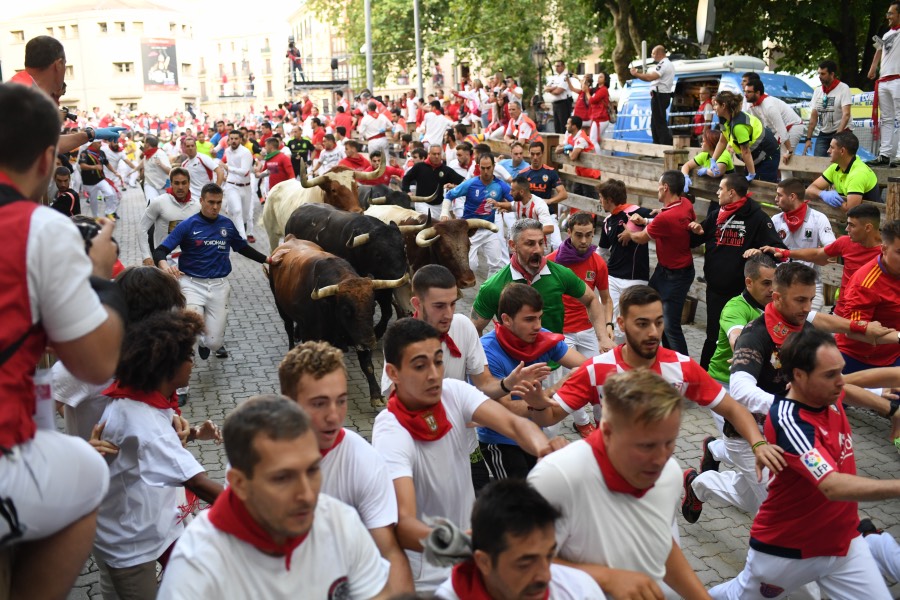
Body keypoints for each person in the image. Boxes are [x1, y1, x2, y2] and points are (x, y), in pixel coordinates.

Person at [0, 81, 125, 600]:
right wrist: (98, 278)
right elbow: (96, 363)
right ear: (47, 160)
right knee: (87, 472)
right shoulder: (39, 228)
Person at [372, 318, 564, 593]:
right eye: (420, 366)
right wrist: (473, 544)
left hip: (470, 559)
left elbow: (514, 424)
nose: (434, 375)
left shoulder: (453, 391)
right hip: (428, 577)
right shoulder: (390, 431)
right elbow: (404, 525)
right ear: (393, 373)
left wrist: (543, 449)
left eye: (438, 361)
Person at [709, 328, 897, 600]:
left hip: (844, 542)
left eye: (840, 371)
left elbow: (852, 388)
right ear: (799, 376)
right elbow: (832, 486)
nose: (841, 382)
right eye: (830, 375)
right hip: (788, 549)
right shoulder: (792, 421)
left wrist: (889, 408)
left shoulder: (826, 392)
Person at [157, 395, 391, 598]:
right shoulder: (197, 565)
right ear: (239, 484)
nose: (307, 495)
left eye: (312, 470)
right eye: (282, 478)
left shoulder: (341, 522)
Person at [527, 369, 711, 599]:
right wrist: (606, 578)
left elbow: (659, 542)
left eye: (669, 442)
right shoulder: (557, 477)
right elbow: (521, 563)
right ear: (607, 431)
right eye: (646, 446)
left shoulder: (670, 472)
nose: (660, 459)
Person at [92, 310, 223, 599]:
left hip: (158, 523)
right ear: (167, 366)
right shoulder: (144, 420)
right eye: (188, 356)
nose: (192, 363)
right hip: (132, 543)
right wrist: (255, 508)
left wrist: (192, 433)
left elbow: (148, 446)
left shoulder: (139, 400)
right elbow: (197, 482)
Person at [278, 341, 414, 594]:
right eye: (319, 403)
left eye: (341, 401)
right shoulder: (256, 460)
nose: (334, 416)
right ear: (289, 403)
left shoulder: (365, 461)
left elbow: (389, 552)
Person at [152, 183, 274, 361]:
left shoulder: (227, 225)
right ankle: (185, 371)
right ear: (201, 201)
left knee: (214, 343)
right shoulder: (187, 225)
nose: (215, 207)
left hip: (219, 286)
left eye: (218, 202)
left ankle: (205, 343)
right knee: (191, 331)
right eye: (211, 202)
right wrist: (165, 267)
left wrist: (268, 260)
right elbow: (160, 251)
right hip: (191, 284)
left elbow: (242, 248)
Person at [478, 284, 589, 473]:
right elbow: (504, 409)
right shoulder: (487, 351)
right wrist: (551, 391)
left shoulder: (542, 337)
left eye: (539, 317)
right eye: (529, 319)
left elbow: (587, 366)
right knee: (519, 491)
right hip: (500, 439)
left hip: (533, 434)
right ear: (506, 319)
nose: (537, 326)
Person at [434, 479, 604, 599]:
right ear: (484, 562)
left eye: (549, 556)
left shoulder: (580, 591)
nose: (545, 576)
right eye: (525, 564)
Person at [471, 218, 614, 353]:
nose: (538, 250)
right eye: (530, 244)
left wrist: (602, 337)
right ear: (513, 245)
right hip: (514, 364)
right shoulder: (493, 286)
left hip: (554, 361)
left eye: (541, 243)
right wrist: (485, 361)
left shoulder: (560, 274)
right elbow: (475, 328)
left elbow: (591, 299)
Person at [691, 173, 785, 369]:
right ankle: (705, 376)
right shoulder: (718, 214)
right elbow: (696, 239)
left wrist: (759, 251)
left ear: (732, 193)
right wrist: (694, 230)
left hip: (742, 293)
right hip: (716, 290)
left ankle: (748, 372)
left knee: (744, 336)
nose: (717, 193)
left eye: (721, 189)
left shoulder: (758, 217)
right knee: (713, 336)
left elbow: (778, 250)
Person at [617, 170, 696, 355]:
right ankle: (667, 356)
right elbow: (670, 221)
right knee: (653, 307)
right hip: (667, 270)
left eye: (659, 186)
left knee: (670, 325)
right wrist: (646, 220)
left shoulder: (665, 217)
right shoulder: (685, 203)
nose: (657, 189)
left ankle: (682, 365)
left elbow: (641, 238)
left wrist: (629, 233)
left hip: (676, 275)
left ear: (665, 188)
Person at [759, 203, 883, 315]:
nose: (846, 229)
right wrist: (785, 252)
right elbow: (817, 254)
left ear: (868, 228)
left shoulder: (887, 253)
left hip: (873, 315)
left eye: (852, 225)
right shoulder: (845, 242)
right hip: (842, 312)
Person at [548, 211, 614, 369]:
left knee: (595, 373)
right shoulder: (551, 262)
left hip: (589, 329)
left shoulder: (598, 263)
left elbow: (606, 300)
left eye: (588, 235)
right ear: (569, 232)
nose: (584, 241)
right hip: (562, 332)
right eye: (578, 235)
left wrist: (608, 325)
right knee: (569, 379)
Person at [835, 219, 900, 372]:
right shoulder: (865, 283)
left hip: (893, 354)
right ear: (884, 249)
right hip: (858, 359)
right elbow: (852, 331)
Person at [597, 178, 653, 340]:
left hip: (635, 278)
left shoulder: (637, 212)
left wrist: (636, 231)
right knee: (610, 322)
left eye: (601, 198)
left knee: (634, 324)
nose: (600, 201)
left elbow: (664, 220)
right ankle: (612, 353)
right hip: (612, 278)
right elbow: (602, 251)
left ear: (609, 199)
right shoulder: (607, 221)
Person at [767, 178, 836, 310]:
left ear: (792, 196)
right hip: (780, 285)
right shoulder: (776, 220)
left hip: (809, 285)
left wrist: (790, 253)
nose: (776, 199)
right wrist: (816, 254)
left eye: (779, 195)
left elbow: (832, 251)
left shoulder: (818, 218)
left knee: (807, 321)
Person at [440, 153, 508, 277]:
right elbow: (449, 195)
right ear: (478, 167)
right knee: (471, 266)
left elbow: (515, 201)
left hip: (489, 229)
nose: (486, 171)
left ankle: (488, 288)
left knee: (497, 264)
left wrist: (504, 206)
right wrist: (444, 212)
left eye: (489, 168)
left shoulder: (500, 185)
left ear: (494, 166)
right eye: (483, 168)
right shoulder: (470, 183)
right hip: (470, 231)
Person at [710, 90, 781, 183]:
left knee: (763, 185)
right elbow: (722, 141)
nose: (714, 107)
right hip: (755, 155)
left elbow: (746, 151)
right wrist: (713, 160)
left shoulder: (738, 126)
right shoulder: (724, 119)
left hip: (768, 154)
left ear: (723, 106)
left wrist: (751, 173)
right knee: (749, 184)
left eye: (716, 104)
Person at [139, 166, 200, 267]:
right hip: (165, 261)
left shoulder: (198, 206)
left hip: (191, 260)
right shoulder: (159, 202)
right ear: (171, 184)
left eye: (184, 183)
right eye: (176, 183)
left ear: (189, 184)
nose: (180, 187)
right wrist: (146, 256)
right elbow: (142, 228)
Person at [807, 131, 880, 212]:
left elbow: (850, 210)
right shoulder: (835, 167)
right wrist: (822, 194)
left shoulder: (858, 173)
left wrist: (836, 202)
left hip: (869, 217)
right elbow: (810, 189)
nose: (828, 151)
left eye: (832, 147)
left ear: (842, 151)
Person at [743, 78, 803, 168]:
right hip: (780, 130)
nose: (745, 94)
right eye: (745, 91)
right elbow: (758, 127)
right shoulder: (752, 105)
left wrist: (789, 151)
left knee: (784, 161)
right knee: (770, 155)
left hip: (793, 126)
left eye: (748, 92)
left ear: (758, 93)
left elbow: (781, 130)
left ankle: (786, 176)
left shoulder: (769, 106)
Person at [868, 2, 900, 167]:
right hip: (884, 80)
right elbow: (879, 50)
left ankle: (899, 155)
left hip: (898, 79)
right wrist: (873, 67)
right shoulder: (887, 34)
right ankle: (885, 154)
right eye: (888, 13)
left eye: (891, 13)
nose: (888, 16)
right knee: (886, 118)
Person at [803, 60, 852, 158]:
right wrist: (808, 139)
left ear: (832, 74)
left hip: (841, 132)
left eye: (823, 74)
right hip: (824, 133)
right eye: (819, 73)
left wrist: (837, 137)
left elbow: (846, 114)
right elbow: (814, 116)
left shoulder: (843, 88)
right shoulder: (818, 91)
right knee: (818, 161)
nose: (819, 76)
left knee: (837, 162)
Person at [401, 144, 464, 219]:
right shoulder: (419, 167)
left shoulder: (446, 170)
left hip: (439, 205)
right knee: (430, 219)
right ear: (429, 154)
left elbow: (463, 182)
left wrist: (454, 186)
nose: (437, 156)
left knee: (446, 222)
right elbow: (406, 179)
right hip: (422, 203)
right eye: (434, 154)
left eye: (438, 154)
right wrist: (407, 191)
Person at [630, 45, 675, 145]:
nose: (652, 55)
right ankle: (657, 143)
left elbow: (650, 77)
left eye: (653, 53)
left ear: (659, 53)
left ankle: (664, 145)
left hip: (660, 95)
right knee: (654, 122)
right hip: (661, 95)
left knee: (659, 122)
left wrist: (636, 74)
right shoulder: (667, 64)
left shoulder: (663, 64)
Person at [519, 141, 568, 218]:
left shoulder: (550, 172)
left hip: (546, 213)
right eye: (532, 154)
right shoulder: (522, 174)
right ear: (529, 154)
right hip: (529, 214)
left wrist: (549, 201)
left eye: (538, 154)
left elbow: (563, 194)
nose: (535, 157)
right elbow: (515, 193)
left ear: (543, 154)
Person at [222, 130, 255, 241]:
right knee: (237, 211)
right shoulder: (227, 151)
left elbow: (244, 171)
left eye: (236, 139)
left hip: (246, 187)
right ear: (229, 140)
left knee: (245, 216)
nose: (233, 141)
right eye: (231, 139)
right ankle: (242, 239)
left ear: (240, 139)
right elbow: (229, 165)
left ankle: (240, 233)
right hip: (231, 185)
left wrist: (227, 168)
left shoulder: (246, 152)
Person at [563, 115, 601, 199]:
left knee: (591, 199)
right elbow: (558, 149)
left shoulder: (581, 139)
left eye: (568, 124)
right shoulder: (572, 137)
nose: (566, 125)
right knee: (577, 196)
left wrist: (568, 151)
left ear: (574, 126)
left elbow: (573, 157)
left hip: (590, 175)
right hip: (581, 173)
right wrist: (566, 149)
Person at [79, 139, 117, 219]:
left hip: (100, 179)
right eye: (99, 143)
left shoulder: (101, 152)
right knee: (93, 201)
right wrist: (94, 167)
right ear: (92, 144)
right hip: (89, 182)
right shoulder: (84, 153)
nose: (101, 145)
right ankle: (96, 217)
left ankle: (109, 212)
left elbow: (107, 163)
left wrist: (115, 172)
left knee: (110, 194)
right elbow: (82, 166)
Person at [139, 135, 172, 203]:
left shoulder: (160, 154)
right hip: (150, 185)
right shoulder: (146, 156)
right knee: (152, 203)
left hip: (163, 185)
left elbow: (169, 171)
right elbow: (141, 167)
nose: (143, 144)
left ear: (147, 144)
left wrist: (161, 164)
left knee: (164, 206)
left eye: (144, 142)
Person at [544, 60, 574, 134]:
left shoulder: (565, 77)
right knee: (557, 126)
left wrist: (550, 89)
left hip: (563, 104)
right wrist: (554, 88)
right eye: (555, 66)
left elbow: (558, 92)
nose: (556, 68)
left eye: (558, 66)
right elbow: (545, 88)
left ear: (563, 66)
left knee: (563, 126)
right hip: (555, 104)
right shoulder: (554, 77)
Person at [588, 72, 611, 153]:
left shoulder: (603, 90)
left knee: (593, 140)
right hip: (597, 118)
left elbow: (592, 100)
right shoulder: (597, 89)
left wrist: (587, 93)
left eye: (601, 77)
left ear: (605, 80)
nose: (598, 78)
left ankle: (598, 158)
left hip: (601, 119)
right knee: (596, 140)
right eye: (598, 76)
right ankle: (600, 156)